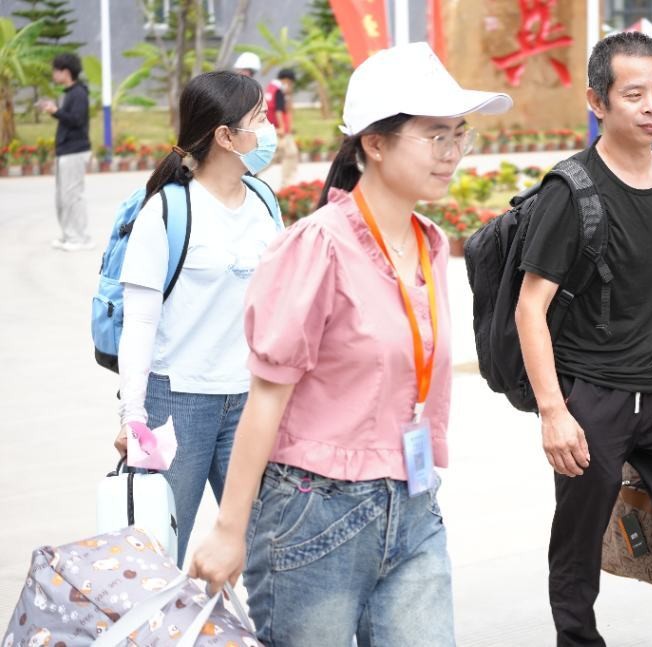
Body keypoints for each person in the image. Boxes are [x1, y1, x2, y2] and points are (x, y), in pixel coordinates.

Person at [187, 42, 511, 646]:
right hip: (314, 513)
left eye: (459, 135)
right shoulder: (316, 246)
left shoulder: (431, 242)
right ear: (375, 143)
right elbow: (266, 396)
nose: (452, 153)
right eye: (434, 135)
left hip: (413, 505)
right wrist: (230, 529)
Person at [515, 32, 652, 647]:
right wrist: (554, 413)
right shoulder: (571, 191)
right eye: (634, 94)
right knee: (579, 545)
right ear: (598, 101)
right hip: (592, 397)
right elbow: (531, 307)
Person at [112, 71, 283, 567]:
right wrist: (133, 415)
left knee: (269, 552)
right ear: (226, 136)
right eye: (259, 119)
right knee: (157, 554)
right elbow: (139, 324)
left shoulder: (264, 201)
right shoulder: (166, 210)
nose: (269, 130)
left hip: (251, 401)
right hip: (175, 406)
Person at [38, 53, 92, 251]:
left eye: (56, 70)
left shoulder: (79, 93)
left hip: (75, 151)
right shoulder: (70, 92)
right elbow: (69, 118)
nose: (53, 74)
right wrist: (55, 111)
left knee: (73, 196)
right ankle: (69, 235)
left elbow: (76, 120)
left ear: (66, 72)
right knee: (63, 197)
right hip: (66, 151)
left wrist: (55, 111)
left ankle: (80, 239)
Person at [264, 67, 298, 186]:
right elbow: (278, 110)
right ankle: (287, 184)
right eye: (291, 82)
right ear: (287, 80)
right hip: (279, 129)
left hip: (271, 127)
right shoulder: (279, 90)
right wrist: (283, 127)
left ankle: (251, 172)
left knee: (281, 153)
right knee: (290, 153)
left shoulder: (271, 87)